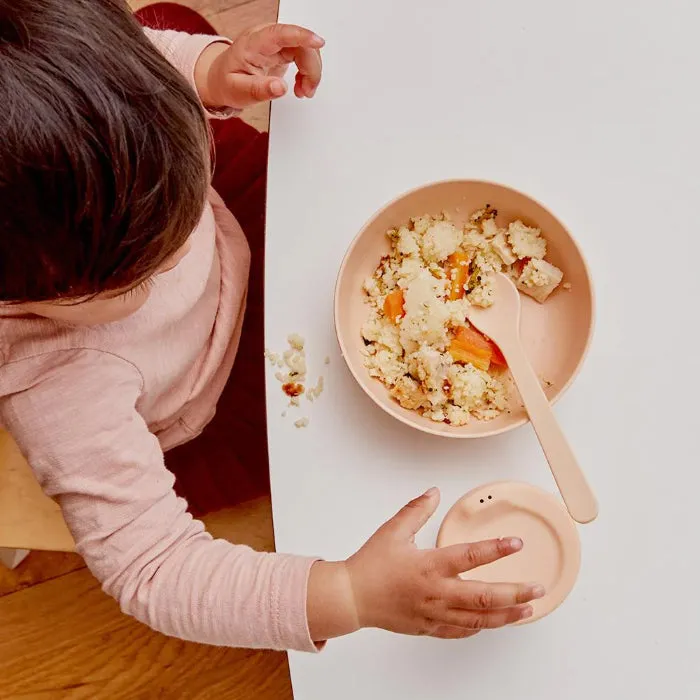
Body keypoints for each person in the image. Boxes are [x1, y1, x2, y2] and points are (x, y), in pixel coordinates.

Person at [0, 0, 544, 651]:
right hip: (215, 388)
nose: (169, 257)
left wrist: (203, 74)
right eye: (140, 277)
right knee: (334, 438)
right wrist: (347, 595)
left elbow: (140, 54)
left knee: (175, 25)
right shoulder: (60, 382)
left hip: (220, 209)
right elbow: (153, 570)